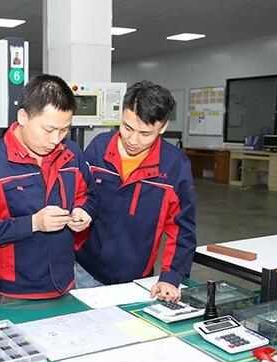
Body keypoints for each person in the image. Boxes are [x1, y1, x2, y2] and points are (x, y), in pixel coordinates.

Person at [0, 74, 96, 304]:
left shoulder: (72, 154)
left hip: (66, 283)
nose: (56, 139)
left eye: (64, 130)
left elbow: (89, 196)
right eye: (49, 129)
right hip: (15, 294)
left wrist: (83, 211)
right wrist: (34, 223)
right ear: (23, 117)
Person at [75, 80, 196, 302]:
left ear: (163, 127)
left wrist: (171, 275)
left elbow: (181, 228)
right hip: (86, 270)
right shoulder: (99, 148)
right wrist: (79, 211)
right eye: (127, 127)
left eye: (145, 133)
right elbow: (79, 193)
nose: (133, 140)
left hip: (136, 279)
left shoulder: (174, 165)